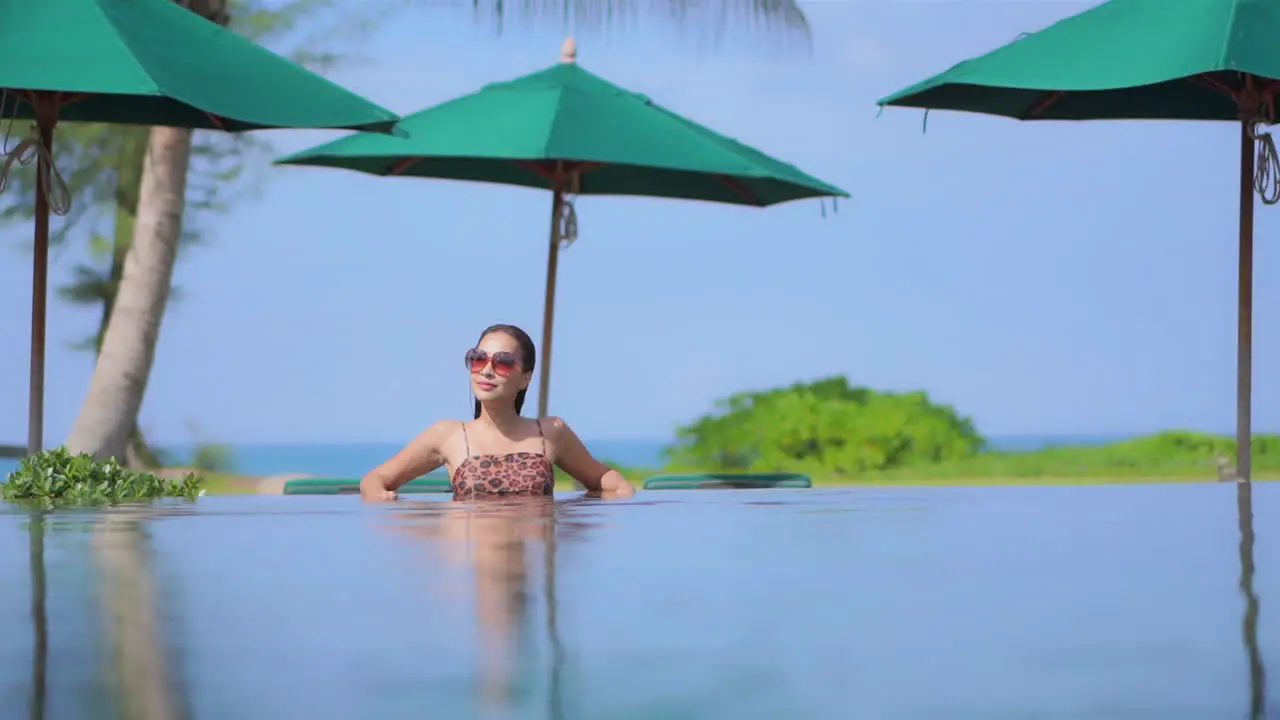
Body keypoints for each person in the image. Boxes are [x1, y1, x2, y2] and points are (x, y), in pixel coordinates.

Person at [360, 324, 638, 501]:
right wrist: (386, 502)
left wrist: (612, 500)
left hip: (530, 563)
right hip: (471, 565)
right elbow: (375, 480)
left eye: (503, 362)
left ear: (525, 379)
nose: (487, 370)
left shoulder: (550, 432)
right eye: (478, 359)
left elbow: (605, 479)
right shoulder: (449, 435)